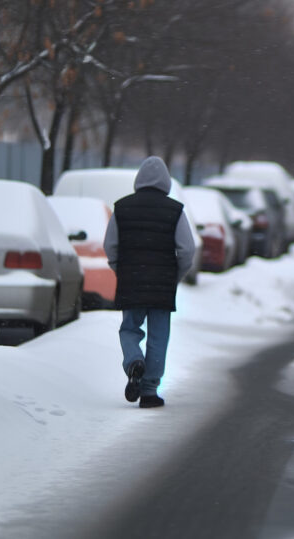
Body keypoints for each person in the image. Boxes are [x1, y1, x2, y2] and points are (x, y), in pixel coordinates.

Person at [104, 156, 195, 408]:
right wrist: (175, 275)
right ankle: (149, 391)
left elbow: (110, 245)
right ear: (166, 182)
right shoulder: (174, 210)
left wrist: (119, 269)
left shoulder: (121, 208)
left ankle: (134, 361)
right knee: (158, 335)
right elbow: (187, 250)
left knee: (129, 329)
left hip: (131, 280)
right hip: (162, 284)